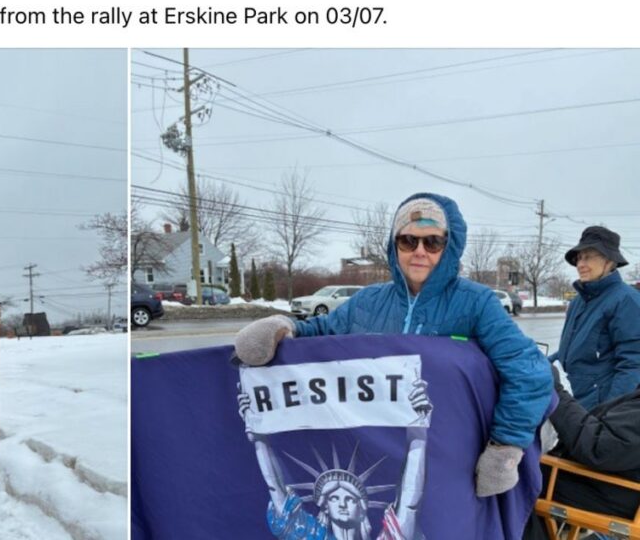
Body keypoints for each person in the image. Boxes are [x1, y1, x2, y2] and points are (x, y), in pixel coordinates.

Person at [235, 193, 552, 498]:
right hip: (372, 458)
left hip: (448, 461)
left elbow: (529, 370)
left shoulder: (476, 303)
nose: (420, 251)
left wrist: (505, 447)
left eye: (432, 242)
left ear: (449, 246)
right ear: (394, 244)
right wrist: (283, 327)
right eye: (408, 240)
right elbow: (320, 335)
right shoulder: (367, 301)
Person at [239, 379, 431, 539]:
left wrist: (417, 430)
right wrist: (259, 438)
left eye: (349, 499)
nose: (342, 504)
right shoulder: (307, 536)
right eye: (334, 498)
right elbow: (275, 488)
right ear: (325, 507)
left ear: (361, 508)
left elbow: (410, 500)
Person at [521, 364, 640, 540]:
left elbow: (597, 447)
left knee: (517, 476)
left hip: (601, 487)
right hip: (605, 481)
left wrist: (555, 391)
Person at [551, 226, 640, 410]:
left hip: (597, 410)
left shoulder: (626, 300)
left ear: (609, 261)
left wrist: (609, 414)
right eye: (579, 258)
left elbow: (633, 365)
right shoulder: (578, 301)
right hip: (572, 405)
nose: (580, 264)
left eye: (588, 257)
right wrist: (536, 362)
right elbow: (570, 352)